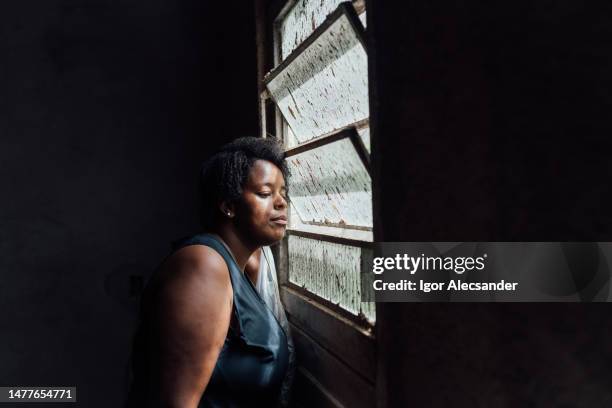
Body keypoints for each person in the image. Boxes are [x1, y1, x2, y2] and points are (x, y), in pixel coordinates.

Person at [127, 137, 291, 407]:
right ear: (229, 205)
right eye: (265, 193)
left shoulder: (237, 265)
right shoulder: (203, 266)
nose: (281, 203)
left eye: (283, 193)